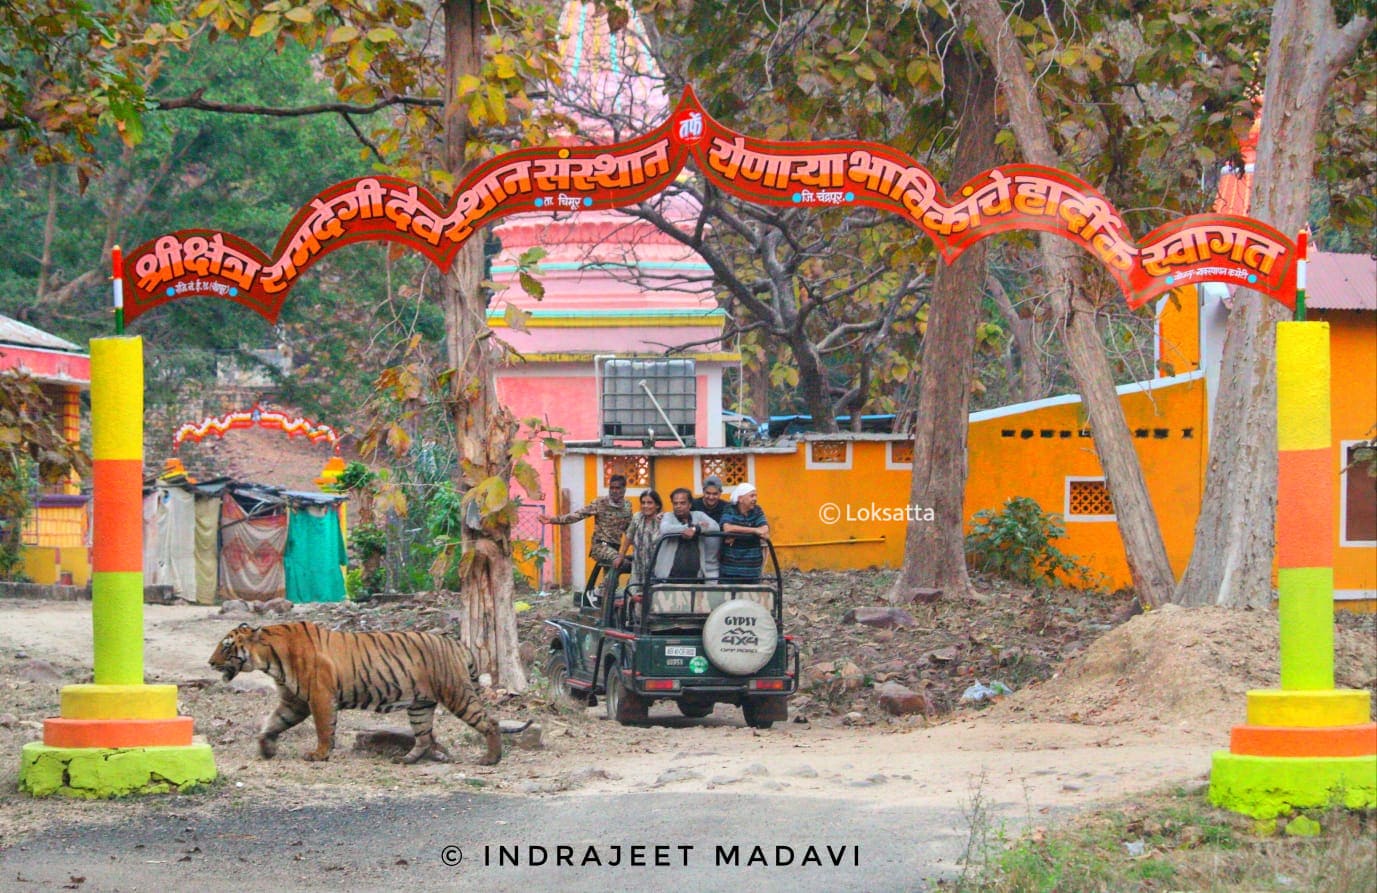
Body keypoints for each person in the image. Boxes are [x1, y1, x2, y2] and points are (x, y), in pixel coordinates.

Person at [539, 475, 632, 598]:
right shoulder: (600, 503)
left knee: (613, 584)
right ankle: (595, 593)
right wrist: (553, 520)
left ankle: (603, 603)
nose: (614, 491)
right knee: (620, 562)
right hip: (601, 546)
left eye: (618, 488)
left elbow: (630, 530)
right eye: (612, 488)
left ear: (624, 489)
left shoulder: (627, 506)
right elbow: (578, 515)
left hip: (615, 548)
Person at [653, 487, 720, 582]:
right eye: (675, 503)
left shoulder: (699, 515)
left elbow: (715, 526)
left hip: (695, 577)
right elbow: (665, 529)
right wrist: (690, 527)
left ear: (690, 504)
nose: (678, 506)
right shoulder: (668, 516)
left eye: (682, 503)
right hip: (669, 577)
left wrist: (696, 529)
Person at [610, 489, 663, 593]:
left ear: (657, 505)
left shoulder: (663, 521)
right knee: (633, 598)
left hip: (656, 571)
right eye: (643, 503)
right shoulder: (637, 518)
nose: (645, 506)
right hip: (638, 568)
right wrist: (621, 556)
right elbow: (628, 537)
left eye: (649, 503)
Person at [719, 481, 769, 582]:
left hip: (752, 569)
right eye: (751, 496)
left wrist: (736, 533)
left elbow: (764, 530)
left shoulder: (757, 510)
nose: (755, 499)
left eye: (755, 496)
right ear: (740, 499)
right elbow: (727, 528)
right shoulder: (730, 509)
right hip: (731, 568)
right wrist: (754, 530)